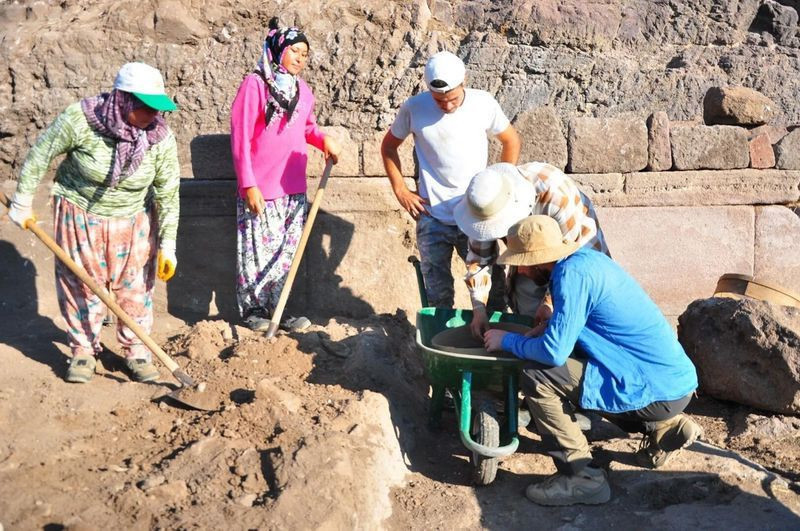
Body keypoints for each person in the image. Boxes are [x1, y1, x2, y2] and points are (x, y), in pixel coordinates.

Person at [483, 215, 701, 506]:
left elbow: (553, 353)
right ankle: (664, 428)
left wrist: (506, 341)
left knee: (538, 374)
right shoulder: (586, 261)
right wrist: (550, 325)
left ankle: (583, 478)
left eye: (521, 263)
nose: (520, 270)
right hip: (675, 385)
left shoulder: (570, 276)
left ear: (537, 260)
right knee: (571, 365)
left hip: (654, 392)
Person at [7, 62, 181, 384]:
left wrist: (168, 244)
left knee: (136, 288)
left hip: (134, 220)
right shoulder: (82, 120)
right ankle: (83, 350)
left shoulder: (160, 137)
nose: (152, 116)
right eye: (145, 107)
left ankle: (137, 350)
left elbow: (169, 193)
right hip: (80, 215)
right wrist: (22, 200)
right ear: (123, 98)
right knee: (82, 284)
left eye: (157, 109)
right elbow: (41, 154)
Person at [381, 51, 520, 309]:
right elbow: (388, 147)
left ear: (463, 81)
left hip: (476, 217)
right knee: (438, 294)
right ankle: (443, 342)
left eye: (452, 98)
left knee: (491, 290)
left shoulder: (483, 103)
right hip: (433, 217)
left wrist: (501, 185)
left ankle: (494, 340)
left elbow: (510, 140)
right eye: (439, 101)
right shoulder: (414, 108)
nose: (446, 106)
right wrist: (400, 190)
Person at [230, 18, 340, 332]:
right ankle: (254, 310)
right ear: (279, 49)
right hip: (261, 186)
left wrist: (323, 140)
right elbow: (239, 136)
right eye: (295, 50)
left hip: (292, 186)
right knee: (256, 251)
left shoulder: (303, 91)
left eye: (305, 53)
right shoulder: (256, 85)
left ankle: (278, 309)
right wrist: (247, 183)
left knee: (284, 252)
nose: (300, 58)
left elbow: (307, 127)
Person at [454, 161, 610, 338]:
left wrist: (549, 303)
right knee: (529, 315)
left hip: (576, 249)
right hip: (526, 254)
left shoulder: (555, 195)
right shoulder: (481, 207)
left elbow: (569, 260)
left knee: (577, 315)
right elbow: (478, 260)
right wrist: (478, 308)